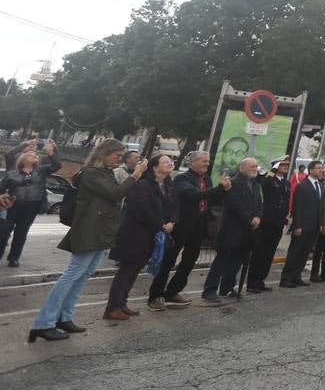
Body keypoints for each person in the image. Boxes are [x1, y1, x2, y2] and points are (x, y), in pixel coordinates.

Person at [30, 140, 146, 342]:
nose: (119, 158)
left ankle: (64, 317)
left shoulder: (106, 172)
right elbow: (115, 193)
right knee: (73, 273)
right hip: (89, 230)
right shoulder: (92, 173)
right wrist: (136, 175)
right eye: (116, 154)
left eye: (120, 155)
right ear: (104, 153)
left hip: (101, 230)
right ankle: (43, 323)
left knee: (85, 274)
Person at [147, 151, 229, 308]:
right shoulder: (182, 178)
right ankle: (155, 296)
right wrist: (219, 188)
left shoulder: (206, 179)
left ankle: (172, 291)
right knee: (168, 261)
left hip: (198, 226)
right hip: (181, 226)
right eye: (203, 161)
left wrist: (223, 191)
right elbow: (193, 195)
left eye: (208, 161)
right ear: (193, 162)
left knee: (189, 261)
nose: (207, 163)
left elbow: (209, 199)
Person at [108, 153, 176, 317]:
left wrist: (172, 222)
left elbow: (173, 207)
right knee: (126, 271)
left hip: (151, 236)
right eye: (165, 161)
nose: (170, 163)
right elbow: (142, 209)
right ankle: (112, 307)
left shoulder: (167, 185)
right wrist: (161, 225)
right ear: (154, 167)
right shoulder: (144, 184)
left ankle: (122, 303)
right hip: (135, 234)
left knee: (135, 271)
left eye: (171, 161)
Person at [201, 157, 263, 302]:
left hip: (247, 232)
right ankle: (209, 289)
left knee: (237, 261)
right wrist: (250, 219)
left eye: (256, 166)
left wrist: (258, 217)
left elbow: (260, 203)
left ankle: (227, 287)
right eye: (252, 166)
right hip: (232, 229)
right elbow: (235, 204)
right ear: (242, 168)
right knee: (222, 260)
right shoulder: (233, 183)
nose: (255, 168)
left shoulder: (255, 184)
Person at [0, 145, 62, 266]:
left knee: (21, 233)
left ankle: (14, 258)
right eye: (31, 155)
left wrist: (52, 152)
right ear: (23, 159)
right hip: (13, 205)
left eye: (36, 155)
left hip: (31, 206)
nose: (34, 156)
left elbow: (57, 165)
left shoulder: (41, 170)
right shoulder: (12, 174)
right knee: (4, 231)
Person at [247, 157, 291, 293]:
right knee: (259, 253)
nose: (286, 167)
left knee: (269, 254)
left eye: (287, 165)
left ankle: (260, 280)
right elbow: (262, 183)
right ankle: (252, 282)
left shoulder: (286, 182)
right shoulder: (268, 179)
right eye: (283, 164)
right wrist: (272, 171)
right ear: (276, 166)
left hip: (277, 223)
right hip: (266, 222)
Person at [280, 160, 325, 288]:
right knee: (295, 252)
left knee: (305, 253)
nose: (321, 170)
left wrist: (320, 223)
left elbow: (321, 207)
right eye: (318, 168)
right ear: (310, 170)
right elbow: (297, 207)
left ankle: (296, 276)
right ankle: (286, 278)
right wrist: (297, 225)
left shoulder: (320, 185)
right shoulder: (303, 186)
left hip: (314, 226)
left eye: (321, 168)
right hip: (302, 226)